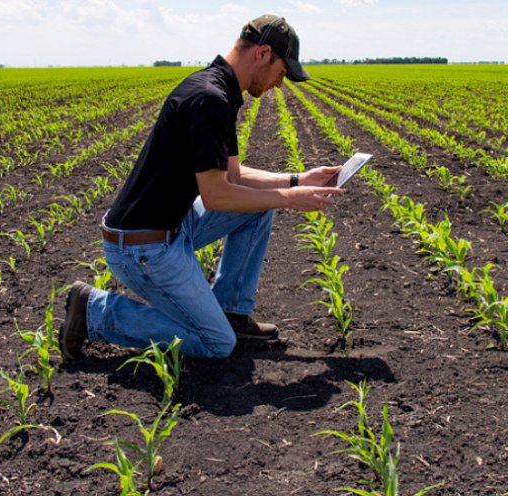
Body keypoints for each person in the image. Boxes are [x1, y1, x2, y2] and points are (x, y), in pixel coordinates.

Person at [59, 14, 343, 360]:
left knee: (258, 208)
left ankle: (230, 311)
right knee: (216, 343)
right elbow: (217, 195)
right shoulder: (209, 99)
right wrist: (290, 198)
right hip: (143, 249)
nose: (280, 84)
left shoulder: (218, 90)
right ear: (264, 53)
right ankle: (94, 311)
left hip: (168, 226)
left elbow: (234, 177)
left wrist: (299, 179)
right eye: (282, 72)